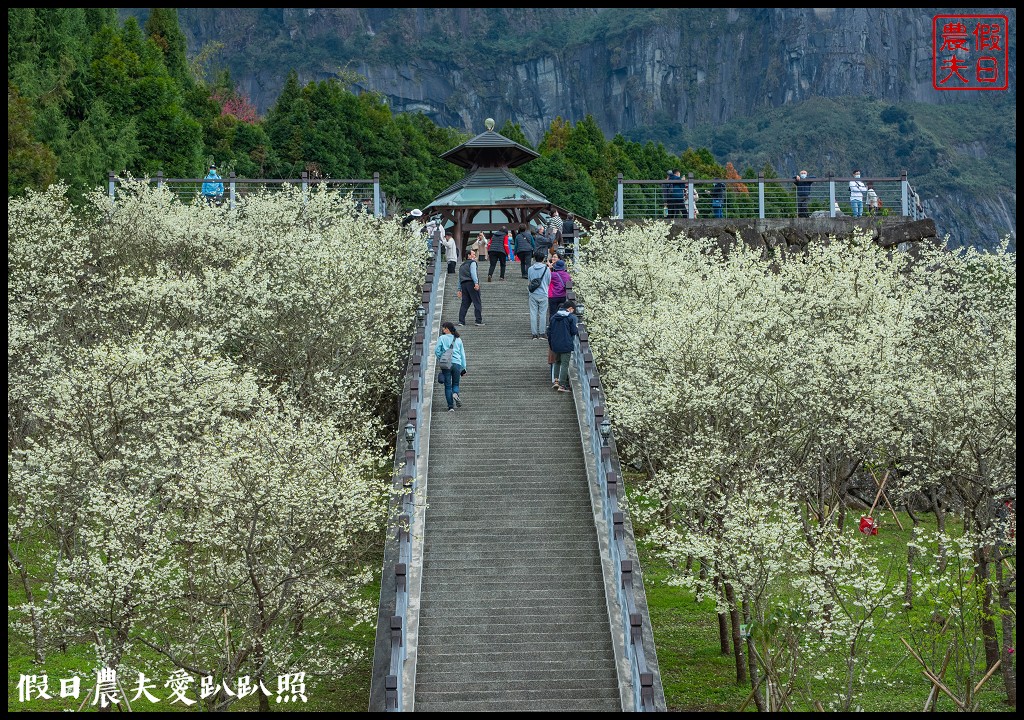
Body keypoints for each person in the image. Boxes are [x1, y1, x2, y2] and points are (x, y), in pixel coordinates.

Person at [547, 299, 579, 393]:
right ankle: (562, 385)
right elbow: (573, 331)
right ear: (570, 309)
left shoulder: (553, 317)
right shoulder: (570, 318)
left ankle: (556, 381)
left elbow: (549, 332)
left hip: (555, 344)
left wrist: (551, 344)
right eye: (573, 310)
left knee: (557, 362)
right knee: (565, 364)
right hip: (566, 344)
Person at [434, 322, 467, 412]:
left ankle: (450, 407)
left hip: (446, 364)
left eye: (443, 328)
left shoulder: (442, 338)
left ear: (447, 329)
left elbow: (436, 350)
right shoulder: (458, 339)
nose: (442, 330)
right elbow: (462, 355)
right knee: (455, 384)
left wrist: (442, 357)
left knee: (448, 386)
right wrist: (464, 368)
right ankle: (455, 394)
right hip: (457, 364)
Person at [527, 250, 550, 339]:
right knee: (543, 313)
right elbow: (548, 281)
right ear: (543, 259)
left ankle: (534, 334)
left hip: (533, 293)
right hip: (543, 293)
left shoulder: (530, 269)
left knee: (533, 313)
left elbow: (529, 280)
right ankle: (542, 333)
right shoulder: (546, 269)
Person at [457, 249, 484, 326]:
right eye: (473, 254)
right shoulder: (472, 263)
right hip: (471, 283)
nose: (474, 256)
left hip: (463, 285)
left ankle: (461, 321)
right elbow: (473, 273)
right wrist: (476, 283)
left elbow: (459, 278)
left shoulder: (462, 266)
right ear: (469, 255)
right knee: (477, 302)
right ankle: (478, 320)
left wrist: (459, 289)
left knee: (464, 303)